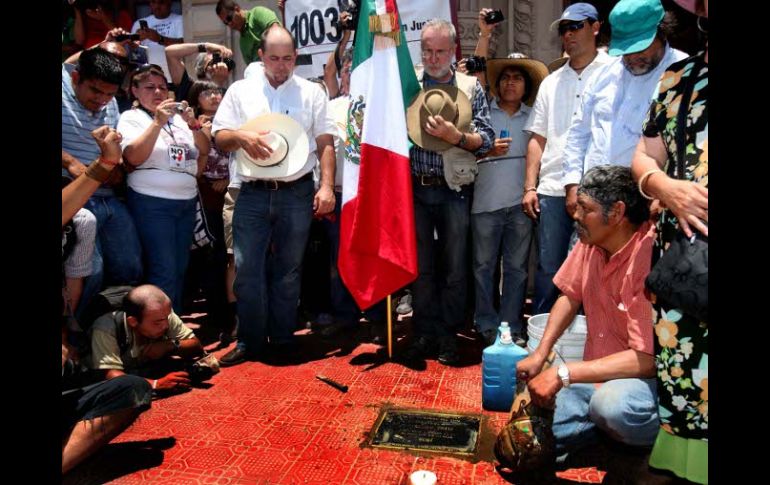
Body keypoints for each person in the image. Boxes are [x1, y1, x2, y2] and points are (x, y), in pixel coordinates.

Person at [212, 25, 336, 366]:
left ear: (296, 57)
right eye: (274, 58)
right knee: (247, 268)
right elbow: (219, 136)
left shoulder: (313, 93)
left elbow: (326, 143)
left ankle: (282, 338)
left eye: (288, 58)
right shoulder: (240, 91)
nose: (281, 65)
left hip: (296, 193)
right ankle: (250, 341)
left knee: (289, 269)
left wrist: (326, 186)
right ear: (261, 57)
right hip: (250, 193)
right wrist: (241, 137)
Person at [517, 165, 659, 460]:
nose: (575, 215)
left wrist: (564, 373)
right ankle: (602, 435)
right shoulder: (591, 241)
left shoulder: (648, 256)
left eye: (585, 208)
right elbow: (569, 296)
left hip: (639, 386)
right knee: (524, 440)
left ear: (617, 212)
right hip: (592, 380)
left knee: (611, 406)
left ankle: (653, 448)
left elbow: (646, 359)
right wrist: (541, 354)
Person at [631, 1, 708, 482]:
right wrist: (664, 188)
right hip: (685, 261)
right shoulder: (678, 79)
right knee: (683, 369)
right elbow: (644, 155)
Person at [405, 19, 494, 366]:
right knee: (422, 268)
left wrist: (454, 137)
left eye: (440, 50)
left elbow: (485, 140)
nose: (432, 56)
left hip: (455, 191)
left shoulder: (471, 87)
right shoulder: (408, 84)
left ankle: (448, 335)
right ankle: (423, 333)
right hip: (414, 190)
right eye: (427, 49)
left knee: (455, 269)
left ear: (453, 50)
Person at [521, 3, 612, 316]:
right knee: (549, 266)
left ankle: (591, 336)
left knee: (596, 266)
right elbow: (537, 138)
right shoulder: (550, 81)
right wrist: (529, 187)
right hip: (552, 188)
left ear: (596, 27)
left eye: (576, 26)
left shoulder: (616, 72)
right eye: (564, 28)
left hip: (601, 192)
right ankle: (544, 336)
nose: (568, 34)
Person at [562, 0, 688, 218]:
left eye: (640, 47)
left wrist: (664, 191)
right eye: (625, 50)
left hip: (649, 205)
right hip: (594, 202)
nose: (631, 57)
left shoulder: (685, 74)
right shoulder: (603, 74)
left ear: (662, 32)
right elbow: (579, 133)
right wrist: (572, 184)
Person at [118, 64, 210, 313]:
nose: (158, 92)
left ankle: (172, 324)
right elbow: (133, 157)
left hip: (186, 201)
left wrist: (193, 124)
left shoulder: (179, 120)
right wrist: (157, 122)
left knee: (180, 267)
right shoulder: (131, 118)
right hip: (152, 202)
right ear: (134, 91)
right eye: (149, 87)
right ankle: (165, 333)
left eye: (162, 87)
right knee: (164, 268)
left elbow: (204, 149)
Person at [62, 46, 143, 319]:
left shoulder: (111, 108)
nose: (102, 100)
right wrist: (71, 162)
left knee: (129, 266)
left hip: (109, 196)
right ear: (75, 79)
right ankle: (76, 332)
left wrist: (117, 167)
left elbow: (115, 159)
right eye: (95, 91)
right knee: (89, 271)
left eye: (110, 94)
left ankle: (116, 329)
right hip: (75, 200)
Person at [472, 55, 547, 347]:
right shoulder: (482, 115)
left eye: (517, 77)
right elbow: (461, 155)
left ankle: (512, 325)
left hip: (520, 206)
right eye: (505, 77)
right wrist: (486, 153)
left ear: (526, 85)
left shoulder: (534, 117)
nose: (510, 82)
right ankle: (485, 322)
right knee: (482, 268)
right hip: (484, 205)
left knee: (516, 269)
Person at [88, 285, 204, 392]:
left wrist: (170, 346)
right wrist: (155, 384)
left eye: (167, 318)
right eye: (157, 323)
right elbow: (111, 375)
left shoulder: (162, 314)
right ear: (133, 321)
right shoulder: (106, 327)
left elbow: (196, 346)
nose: (165, 326)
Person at [215, 0, 281, 65]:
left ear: (237, 9)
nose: (230, 24)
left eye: (229, 18)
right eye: (226, 23)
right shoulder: (243, 43)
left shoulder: (257, 14)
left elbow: (278, 33)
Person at [131, 0, 184, 81]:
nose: (157, 6)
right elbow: (133, 53)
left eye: (161, 2)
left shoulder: (180, 20)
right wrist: (136, 42)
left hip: (174, 77)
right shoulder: (138, 24)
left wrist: (159, 38)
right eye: (153, 2)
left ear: (169, 3)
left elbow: (183, 44)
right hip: (148, 78)